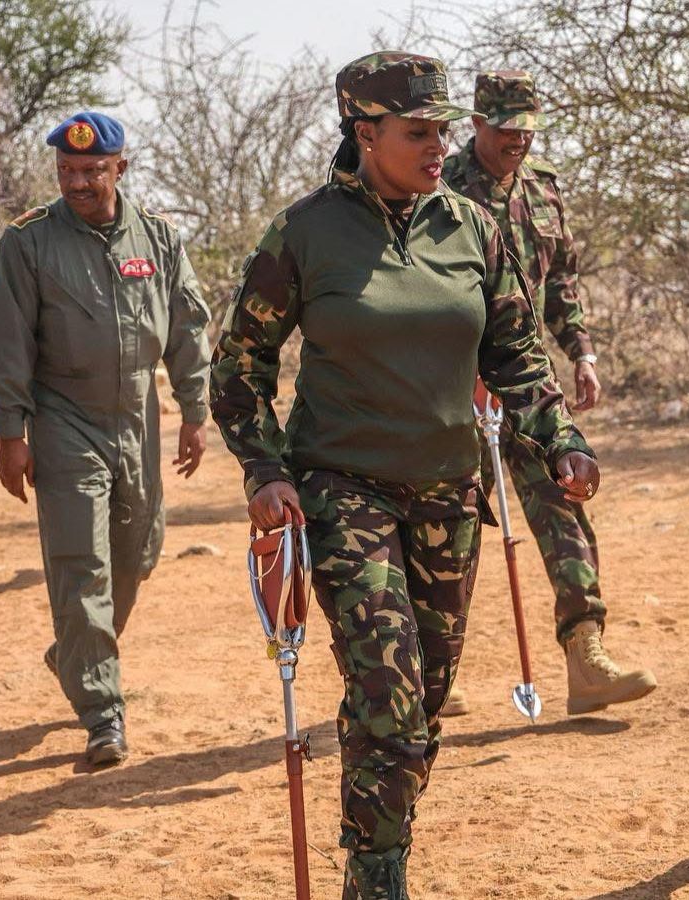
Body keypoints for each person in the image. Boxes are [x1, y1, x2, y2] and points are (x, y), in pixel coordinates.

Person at [211, 51, 597, 899]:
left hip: (450, 493)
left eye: (443, 132)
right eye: (418, 133)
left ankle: (383, 838)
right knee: (386, 689)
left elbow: (519, 355)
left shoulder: (468, 225)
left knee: (424, 699)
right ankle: (377, 874)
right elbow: (239, 369)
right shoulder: (303, 233)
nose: (437, 148)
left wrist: (562, 437)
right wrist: (265, 471)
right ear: (365, 133)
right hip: (342, 489)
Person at [0, 112, 211, 767]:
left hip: (137, 415)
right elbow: (9, 341)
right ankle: (102, 712)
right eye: (66, 172)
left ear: (121, 167)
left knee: (137, 553)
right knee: (82, 564)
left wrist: (194, 411)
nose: (78, 182)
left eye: (91, 170)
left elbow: (188, 331)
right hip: (63, 418)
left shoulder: (161, 239)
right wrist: (11, 430)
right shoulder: (27, 241)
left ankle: (76, 650)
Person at [440, 69, 655, 717]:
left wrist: (581, 352)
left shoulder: (544, 192)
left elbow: (561, 282)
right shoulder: (437, 189)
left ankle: (586, 659)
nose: (518, 141)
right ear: (476, 125)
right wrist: (461, 371)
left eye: (527, 130)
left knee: (564, 506)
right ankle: (428, 671)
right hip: (452, 391)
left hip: (530, 386)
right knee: (449, 528)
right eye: (505, 130)